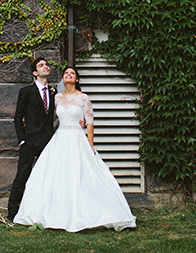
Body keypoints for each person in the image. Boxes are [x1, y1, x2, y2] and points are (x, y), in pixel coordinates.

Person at [13, 66, 137, 232]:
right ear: (63, 79)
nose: (68, 75)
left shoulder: (83, 98)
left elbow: (90, 121)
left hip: (78, 139)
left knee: (81, 174)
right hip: (60, 138)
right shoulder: (56, 97)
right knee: (54, 175)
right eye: (66, 73)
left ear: (77, 79)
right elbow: (49, 117)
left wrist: (90, 144)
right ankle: (54, 212)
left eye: (72, 73)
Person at [6, 57, 57, 222]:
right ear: (35, 73)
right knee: (22, 177)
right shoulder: (26, 91)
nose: (45, 67)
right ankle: (12, 213)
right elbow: (18, 117)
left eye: (47, 64)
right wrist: (22, 139)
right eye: (41, 65)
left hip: (47, 142)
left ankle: (44, 213)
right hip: (29, 142)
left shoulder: (53, 92)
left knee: (47, 178)